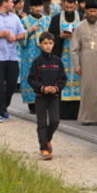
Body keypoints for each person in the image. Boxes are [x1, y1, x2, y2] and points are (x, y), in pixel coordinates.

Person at [27, 32, 67, 160]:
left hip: (54, 96)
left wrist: (56, 88)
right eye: (45, 43)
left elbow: (63, 78)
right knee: (42, 123)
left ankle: (47, 139)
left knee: (55, 121)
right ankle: (44, 148)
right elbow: (31, 79)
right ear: (40, 44)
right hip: (41, 97)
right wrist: (42, 88)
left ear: (54, 44)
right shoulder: (37, 62)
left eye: (50, 43)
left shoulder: (57, 61)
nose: (48, 46)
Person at [72, 0, 97, 125]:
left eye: (95, 11)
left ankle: (96, 116)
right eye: (90, 11)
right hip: (85, 62)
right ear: (86, 11)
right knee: (87, 91)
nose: (92, 14)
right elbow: (74, 49)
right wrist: (77, 65)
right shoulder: (80, 27)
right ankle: (86, 118)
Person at [49, 0, 82, 119]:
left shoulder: (81, 18)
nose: (69, 10)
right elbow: (50, 37)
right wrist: (60, 36)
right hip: (62, 55)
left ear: (75, 5)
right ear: (63, 4)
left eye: (71, 7)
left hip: (77, 57)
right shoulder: (56, 19)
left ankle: (76, 112)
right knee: (62, 81)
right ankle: (62, 112)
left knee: (78, 82)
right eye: (67, 7)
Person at [18, 0, 51, 113]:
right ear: (30, 7)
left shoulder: (47, 20)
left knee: (45, 77)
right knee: (31, 76)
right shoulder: (24, 21)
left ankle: (44, 102)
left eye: (40, 6)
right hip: (29, 55)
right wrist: (30, 30)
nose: (38, 8)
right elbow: (20, 39)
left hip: (44, 55)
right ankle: (32, 104)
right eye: (36, 6)